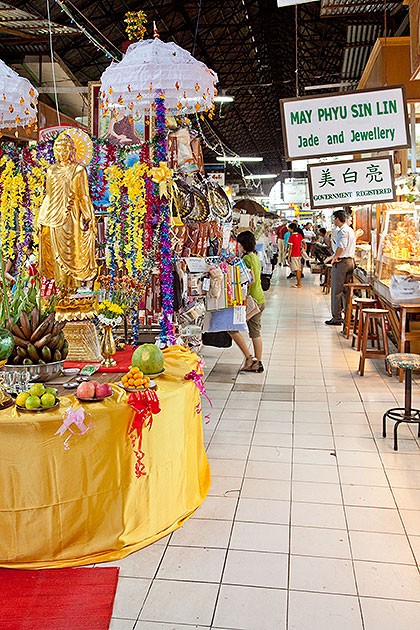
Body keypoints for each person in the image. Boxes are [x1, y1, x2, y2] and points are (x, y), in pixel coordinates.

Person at [230, 231, 265, 373]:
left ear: (242, 244)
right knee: (255, 332)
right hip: (260, 299)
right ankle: (258, 362)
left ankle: (249, 357)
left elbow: (250, 280)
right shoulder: (255, 257)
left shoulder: (245, 259)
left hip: (251, 301)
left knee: (231, 328)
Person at [325, 209, 356, 326]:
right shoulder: (350, 230)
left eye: (334, 219)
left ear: (337, 219)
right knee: (346, 291)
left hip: (342, 262)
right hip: (350, 262)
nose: (334, 221)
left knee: (336, 291)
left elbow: (341, 247)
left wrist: (334, 258)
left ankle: (336, 317)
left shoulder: (342, 231)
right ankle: (349, 315)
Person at [287, 223, 306, 288]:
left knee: (297, 269)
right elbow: (304, 243)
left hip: (294, 255)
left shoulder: (291, 237)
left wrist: (289, 256)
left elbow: (290, 248)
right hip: (299, 255)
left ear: (291, 229)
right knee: (299, 269)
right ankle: (298, 283)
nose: (288, 229)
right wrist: (304, 251)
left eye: (289, 228)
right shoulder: (299, 235)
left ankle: (299, 283)